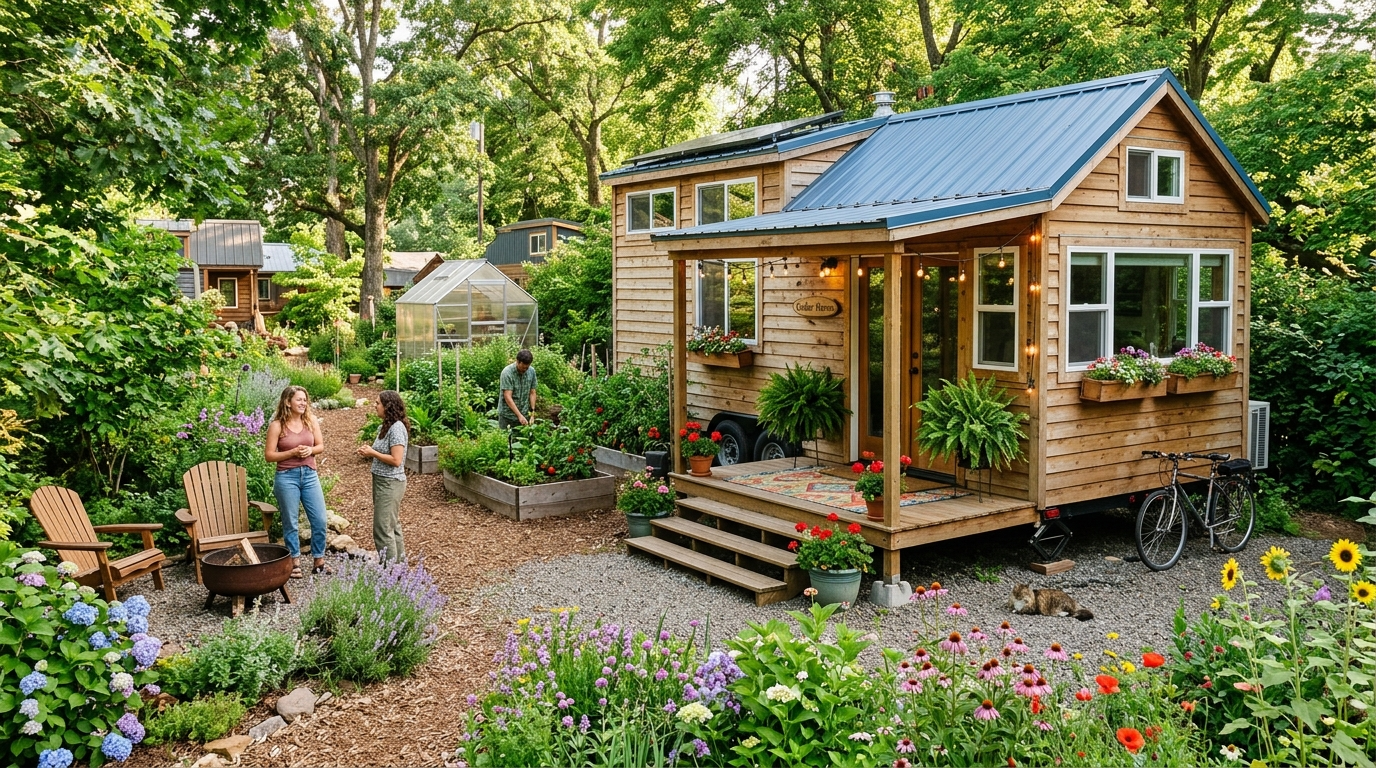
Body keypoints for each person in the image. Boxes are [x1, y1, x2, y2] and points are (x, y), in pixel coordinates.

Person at [264, 385, 330, 578]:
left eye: (305, 400)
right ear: (287, 402)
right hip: (287, 477)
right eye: (299, 400)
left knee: (320, 519)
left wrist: (310, 450)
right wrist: (292, 452)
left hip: (310, 475)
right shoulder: (277, 425)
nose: (303, 403)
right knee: (290, 522)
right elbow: (269, 455)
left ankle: (319, 561)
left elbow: (320, 446)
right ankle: (294, 562)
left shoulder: (310, 421)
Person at [356, 390, 408, 563]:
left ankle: (390, 571)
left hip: (391, 483)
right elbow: (381, 452)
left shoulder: (397, 428)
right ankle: (399, 568)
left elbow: (396, 460)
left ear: (388, 406)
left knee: (382, 529)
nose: (375, 405)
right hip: (381, 481)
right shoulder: (384, 427)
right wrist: (368, 451)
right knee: (392, 525)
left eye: (378, 403)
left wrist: (373, 453)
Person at [498, 348, 537, 429]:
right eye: (523, 367)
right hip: (507, 416)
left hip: (524, 413)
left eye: (527, 367)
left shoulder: (531, 371)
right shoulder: (507, 373)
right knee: (505, 436)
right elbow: (507, 397)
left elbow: (532, 392)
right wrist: (519, 416)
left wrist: (532, 413)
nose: (525, 370)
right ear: (518, 361)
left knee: (522, 436)